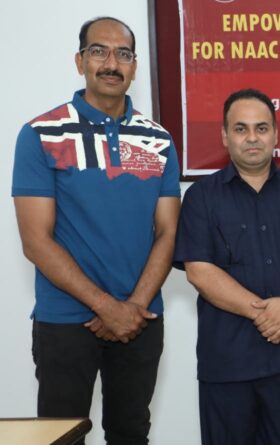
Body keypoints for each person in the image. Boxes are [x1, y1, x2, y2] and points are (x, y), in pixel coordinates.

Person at [11, 17, 180, 444]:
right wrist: (106, 307)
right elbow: (35, 241)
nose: (111, 63)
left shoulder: (159, 140)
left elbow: (168, 232)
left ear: (134, 66)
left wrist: (132, 307)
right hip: (66, 321)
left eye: (123, 54)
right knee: (60, 438)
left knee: (131, 435)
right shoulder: (39, 134)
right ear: (79, 61)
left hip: (141, 320)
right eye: (98, 51)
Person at [173, 89, 280, 444]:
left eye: (262, 128)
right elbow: (199, 270)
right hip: (227, 358)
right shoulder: (201, 196)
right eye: (241, 129)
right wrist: (267, 315)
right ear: (225, 136)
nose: (252, 138)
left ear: (276, 134)